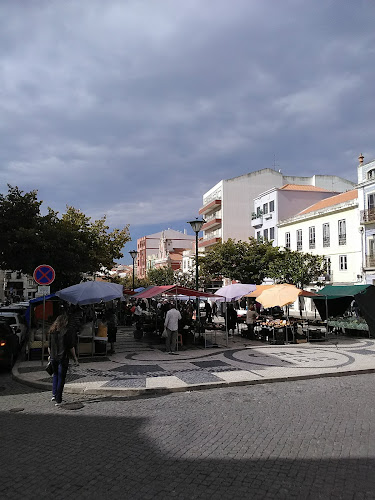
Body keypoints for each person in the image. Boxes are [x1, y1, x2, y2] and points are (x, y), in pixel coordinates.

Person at [48, 313, 78, 406]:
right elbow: (70, 347)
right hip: (63, 357)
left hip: (53, 357)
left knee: (55, 375)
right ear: (64, 322)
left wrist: (50, 355)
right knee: (61, 378)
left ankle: (54, 394)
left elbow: (49, 346)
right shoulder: (66, 331)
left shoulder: (52, 331)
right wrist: (75, 358)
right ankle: (58, 399)